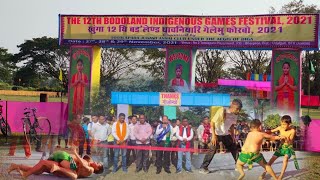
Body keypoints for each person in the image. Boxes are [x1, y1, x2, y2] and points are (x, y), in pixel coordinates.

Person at [199, 99, 242, 174]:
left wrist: (233, 136)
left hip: (225, 134)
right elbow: (212, 122)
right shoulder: (222, 110)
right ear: (233, 106)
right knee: (212, 150)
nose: (238, 111)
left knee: (234, 148)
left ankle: (238, 165)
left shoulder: (235, 114)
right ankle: (203, 167)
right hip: (216, 133)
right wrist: (213, 136)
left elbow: (232, 126)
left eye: (239, 109)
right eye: (237, 109)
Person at [7, 148, 103, 179]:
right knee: (74, 176)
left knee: (40, 168)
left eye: (98, 163)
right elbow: (79, 164)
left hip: (60, 161)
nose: (95, 162)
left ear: (98, 169)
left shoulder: (90, 170)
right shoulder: (84, 162)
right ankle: (25, 175)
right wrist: (74, 154)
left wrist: (75, 153)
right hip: (61, 163)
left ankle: (16, 166)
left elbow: (83, 165)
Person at [260, 115, 297, 180]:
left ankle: (281, 176)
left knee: (285, 159)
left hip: (288, 148)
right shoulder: (280, 127)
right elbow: (271, 131)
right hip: (280, 148)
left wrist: (285, 138)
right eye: (282, 124)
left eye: (284, 124)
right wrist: (262, 132)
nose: (282, 126)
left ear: (289, 124)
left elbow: (290, 141)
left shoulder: (292, 131)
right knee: (271, 160)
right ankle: (264, 172)